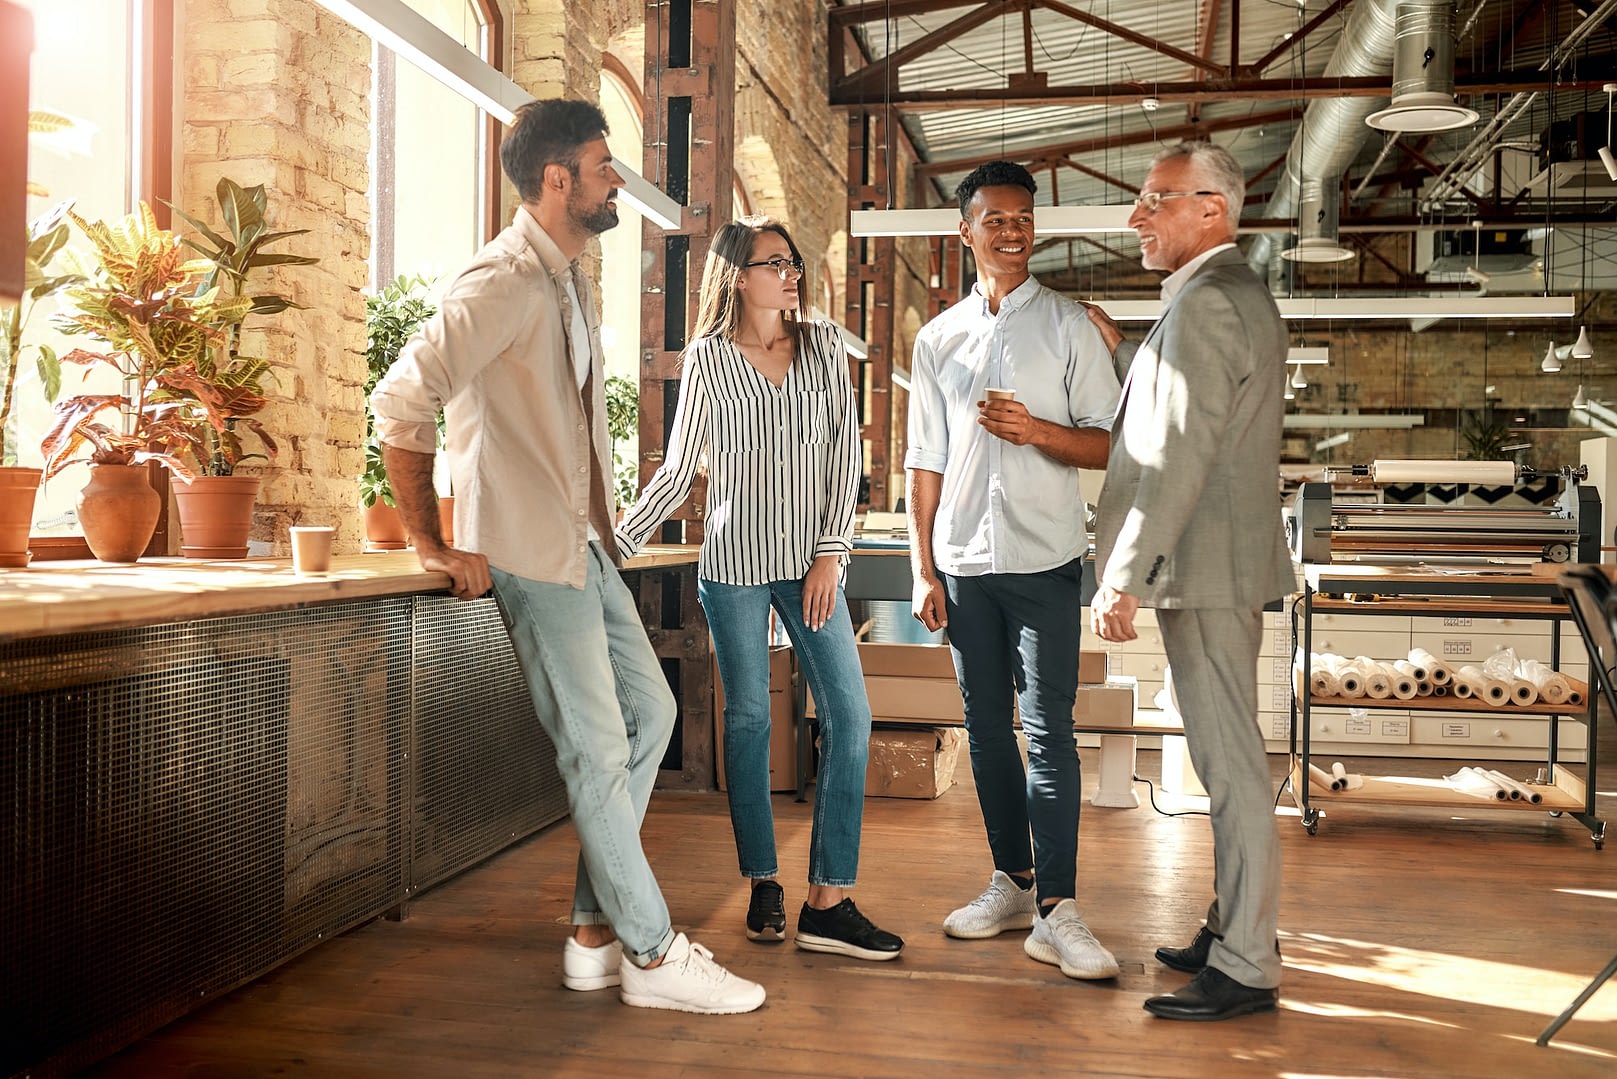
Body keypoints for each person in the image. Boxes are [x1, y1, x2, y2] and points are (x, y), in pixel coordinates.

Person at [370, 98, 765, 1015]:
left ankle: (594, 932)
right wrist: (431, 537)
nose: (614, 178)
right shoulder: (498, 281)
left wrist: (608, 531)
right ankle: (653, 951)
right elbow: (402, 399)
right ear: (558, 180)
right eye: (601, 164)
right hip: (525, 550)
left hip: (583, 544)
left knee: (652, 712)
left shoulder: (566, 278)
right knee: (595, 750)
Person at [616, 216, 903, 962]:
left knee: (850, 712)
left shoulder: (823, 349)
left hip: (812, 561)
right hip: (733, 565)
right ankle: (763, 882)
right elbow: (679, 471)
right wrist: (612, 542)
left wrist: (831, 554)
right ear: (738, 277)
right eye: (774, 263)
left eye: (792, 262)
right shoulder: (709, 359)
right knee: (747, 723)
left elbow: (847, 458)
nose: (790, 273)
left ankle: (829, 896)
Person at [1088, 140, 1293, 1021]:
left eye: (1154, 199)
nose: (1138, 215)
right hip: (1213, 565)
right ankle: (1231, 923)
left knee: (1232, 763)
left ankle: (1247, 960)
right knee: (1222, 756)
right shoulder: (1214, 298)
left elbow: (1176, 458)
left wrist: (1122, 575)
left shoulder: (1211, 304)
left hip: (1203, 568)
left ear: (1210, 208)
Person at [905, 160, 1122, 980]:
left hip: (1044, 559)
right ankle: (1010, 880)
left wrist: (1035, 431)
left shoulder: (1068, 325)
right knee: (985, 730)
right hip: (962, 565)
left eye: (1023, 217)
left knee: (1048, 731)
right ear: (965, 232)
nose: (1011, 230)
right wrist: (922, 567)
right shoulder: (935, 339)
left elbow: (1108, 443)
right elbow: (923, 459)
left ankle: (1059, 908)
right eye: (994, 218)